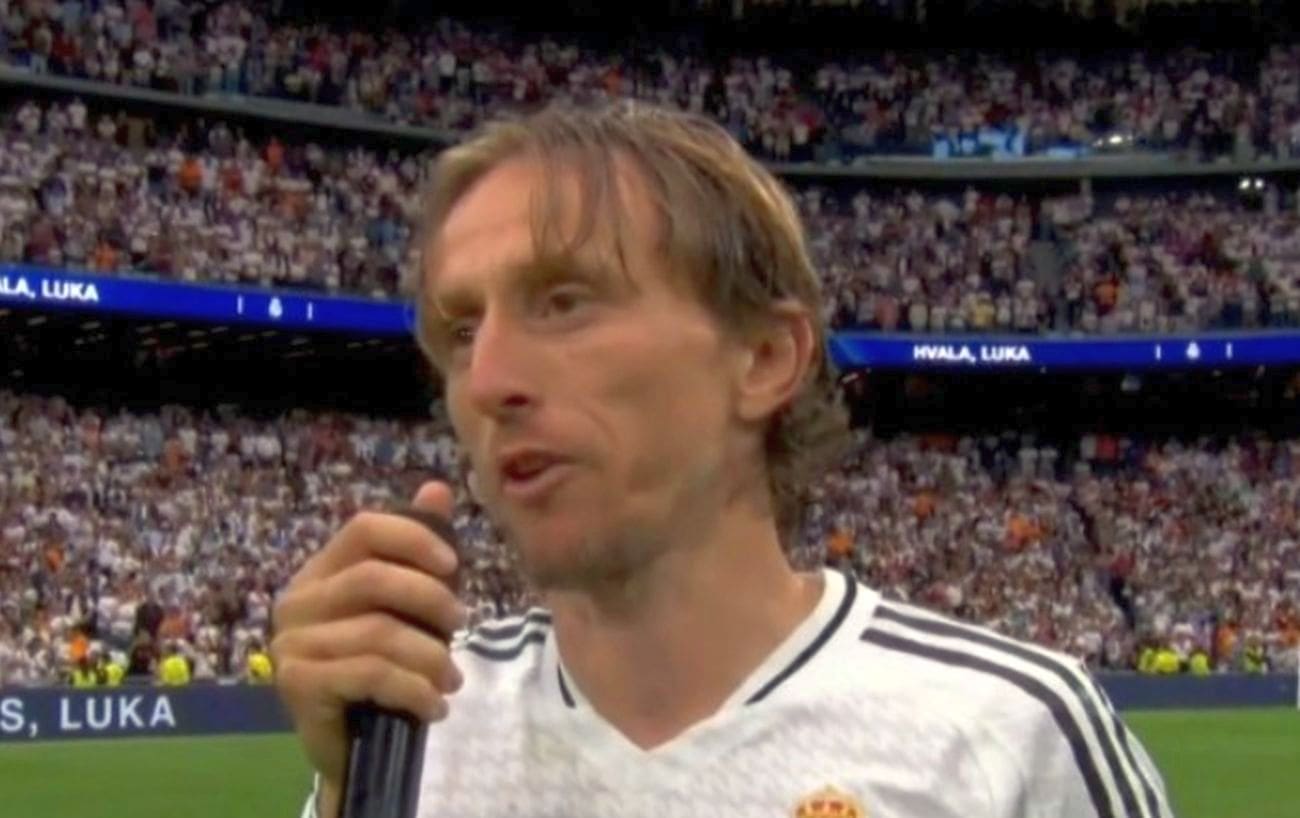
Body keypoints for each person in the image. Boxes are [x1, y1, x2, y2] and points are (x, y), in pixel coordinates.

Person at [273, 102, 1175, 818]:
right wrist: (354, 794)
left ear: (765, 360)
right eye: (463, 331)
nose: (488, 380)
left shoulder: (1003, 737)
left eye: (565, 302)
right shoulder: (417, 729)